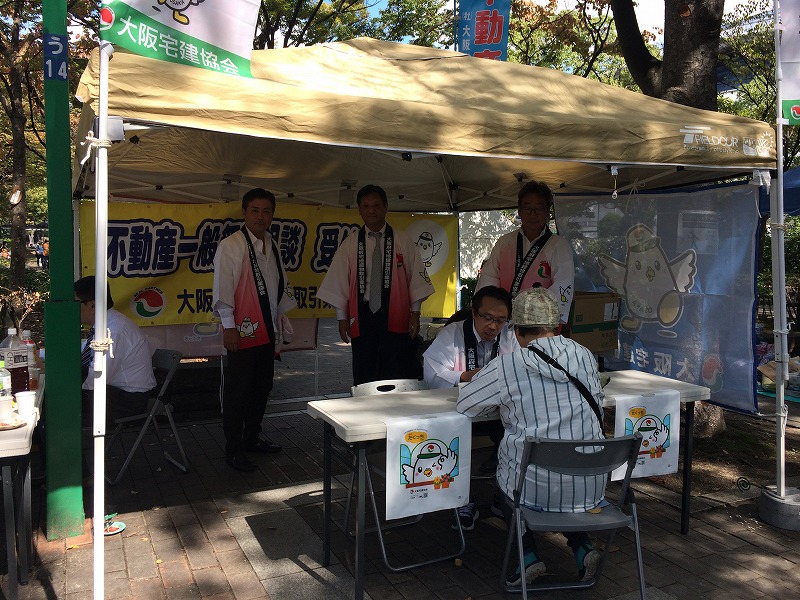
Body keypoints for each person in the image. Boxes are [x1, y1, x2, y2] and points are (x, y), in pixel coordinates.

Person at [456, 287, 603, 586]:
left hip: (532, 488)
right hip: (591, 485)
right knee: (565, 477)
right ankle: (582, 548)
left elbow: (466, 404)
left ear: (517, 331)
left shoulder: (509, 365)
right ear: (557, 327)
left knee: (511, 477)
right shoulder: (586, 355)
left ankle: (528, 557)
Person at [212, 188, 297, 472]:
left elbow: (277, 286)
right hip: (242, 329)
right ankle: (234, 448)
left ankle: (252, 437)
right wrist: (229, 326)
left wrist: (280, 319)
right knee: (238, 391)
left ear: (272, 214)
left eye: (266, 211)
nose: (261, 217)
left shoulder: (271, 244)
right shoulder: (232, 245)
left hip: (266, 327)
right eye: (255, 211)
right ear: (244, 212)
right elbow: (223, 287)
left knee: (262, 387)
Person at [318, 184, 434, 385]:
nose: (371, 210)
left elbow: (415, 278)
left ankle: (395, 403)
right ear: (359, 209)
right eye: (366, 206)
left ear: (386, 207)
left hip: (395, 313)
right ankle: (366, 403)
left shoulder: (402, 240)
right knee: (365, 371)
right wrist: (341, 318)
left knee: (396, 370)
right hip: (363, 314)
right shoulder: (350, 244)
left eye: (376, 205)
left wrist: (415, 313)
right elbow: (339, 282)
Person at [476, 181, 575, 324]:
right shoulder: (505, 242)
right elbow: (489, 278)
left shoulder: (559, 246)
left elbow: (562, 285)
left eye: (539, 208)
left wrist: (536, 315)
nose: (532, 214)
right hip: (502, 320)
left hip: (539, 323)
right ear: (519, 210)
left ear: (548, 211)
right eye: (527, 208)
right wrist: (487, 311)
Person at [75, 276, 157, 426]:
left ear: (92, 305)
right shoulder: (108, 324)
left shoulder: (113, 330)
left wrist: (60, 375)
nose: (71, 308)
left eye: (75, 303)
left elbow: (97, 379)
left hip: (128, 400)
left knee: (61, 404)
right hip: (115, 393)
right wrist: (44, 356)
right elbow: (80, 353)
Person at [423, 285, 516, 389]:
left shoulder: (511, 335)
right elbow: (433, 373)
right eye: (487, 318)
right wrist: (463, 377)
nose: (493, 326)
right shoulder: (452, 334)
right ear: (474, 313)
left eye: (500, 320)